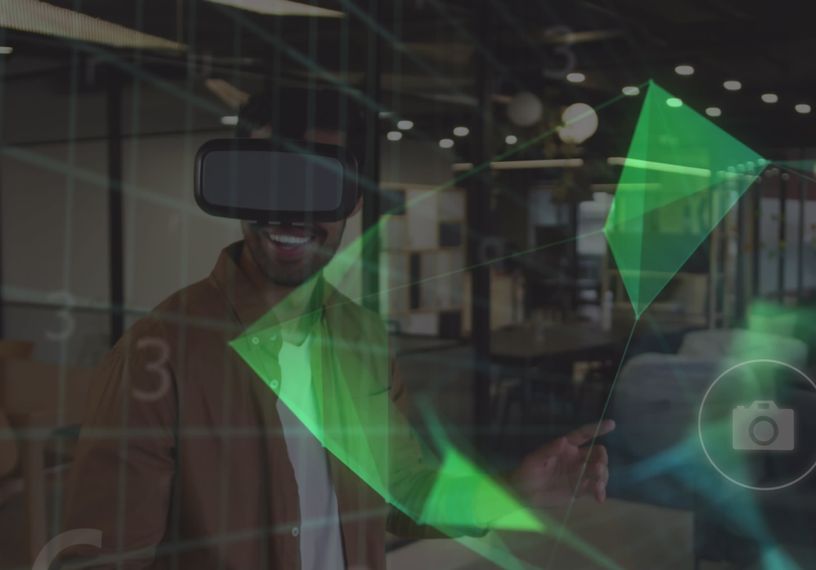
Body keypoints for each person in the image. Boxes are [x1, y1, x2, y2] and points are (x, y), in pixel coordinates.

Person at [58, 88, 613, 569]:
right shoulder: (157, 353)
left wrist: (511, 491)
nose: (292, 211)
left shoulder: (362, 336)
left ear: (354, 199)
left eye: (320, 180)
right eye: (273, 179)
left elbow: (403, 490)